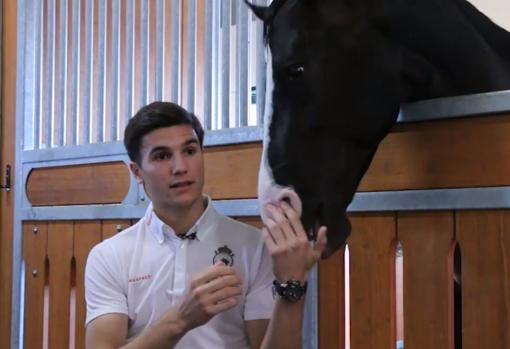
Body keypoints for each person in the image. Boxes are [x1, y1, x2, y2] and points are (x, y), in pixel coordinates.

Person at [84, 101, 327, 349]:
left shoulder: (253, 246)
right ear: (137, 172)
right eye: (162, 156)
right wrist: (181, 319)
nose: (180, 168)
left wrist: (292, 283)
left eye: (190, 151)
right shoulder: (109, 256)